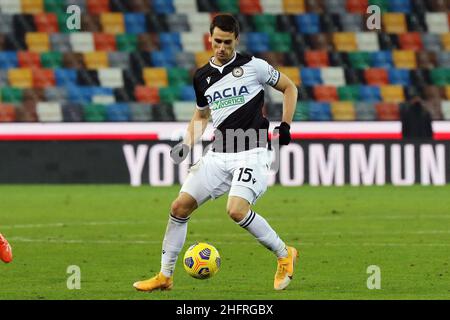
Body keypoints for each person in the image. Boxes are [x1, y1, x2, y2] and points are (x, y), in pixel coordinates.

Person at [133, 14, 299, 292]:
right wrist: (186, 143)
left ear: (236, 41)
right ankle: (165, 276)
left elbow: (289, 87)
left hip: (253, 150)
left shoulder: (254, 66)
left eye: (227, 42)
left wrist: (285, 126)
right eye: (217, 41)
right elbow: (201, 116)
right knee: (178, 207)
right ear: (209, 38)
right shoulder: (201, 77)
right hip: (218, 153)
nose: (221, 47)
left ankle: (284, 255)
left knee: (236, 210)